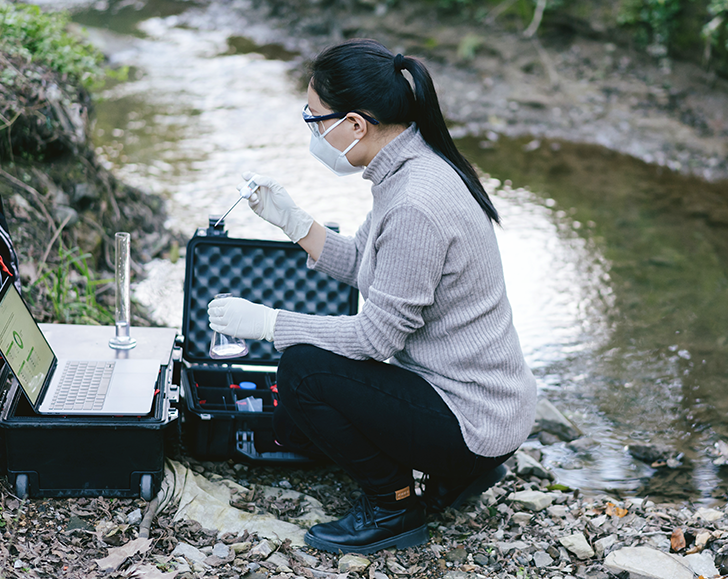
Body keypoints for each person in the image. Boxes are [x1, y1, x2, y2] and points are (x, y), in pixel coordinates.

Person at [207, 38, 537, 555]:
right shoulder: (415, 165)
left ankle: (394, 505)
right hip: (478, 400)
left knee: (303, 373)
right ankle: (437, 474)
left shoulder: (415, 203)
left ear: (356, 124)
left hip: (471, 417)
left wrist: (269, 323)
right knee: (303, 399)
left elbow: (375, 337)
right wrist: (294, 222)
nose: (312, 131)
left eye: (315, 119)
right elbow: (368, 264)